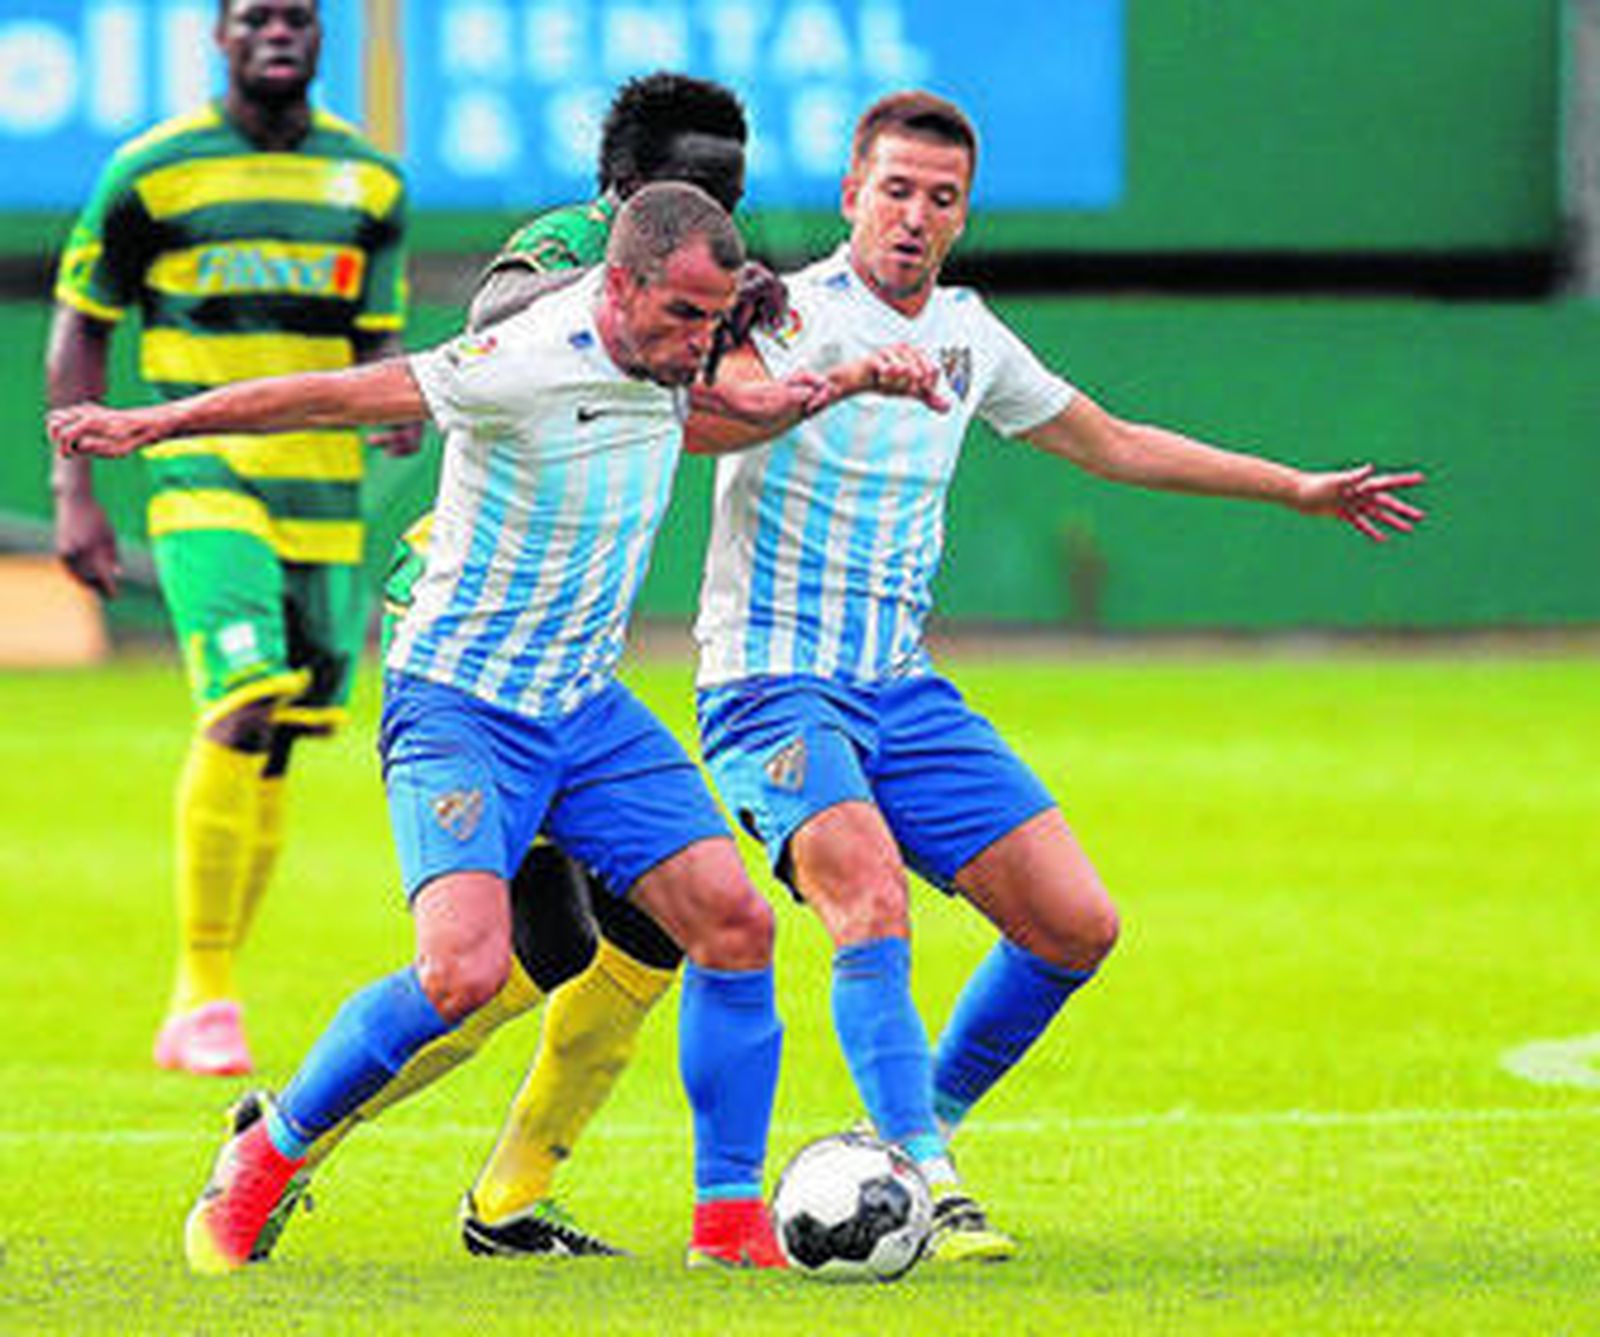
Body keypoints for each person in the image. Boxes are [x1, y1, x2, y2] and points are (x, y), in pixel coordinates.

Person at [51, 181, 948, 1273]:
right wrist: (155, 422)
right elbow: (332, 394)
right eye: (683, 317)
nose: (700, 344)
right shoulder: (520, 361)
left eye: (715, 323)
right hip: (462, 706)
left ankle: (727, 1225)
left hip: (585, 707)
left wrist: (847, 379)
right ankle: (266, 1150)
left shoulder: (672, 364)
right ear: (619, 284)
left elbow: (728, 411)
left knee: (733, 920)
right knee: (463, 971)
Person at [690, 90, 1428, 1262]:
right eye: (895, 190)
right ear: (850, 193)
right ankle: (925, 1180)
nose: (915, 216)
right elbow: (703, 420)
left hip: (898, 689)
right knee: (867, 894)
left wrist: (1292, 488)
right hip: (770, 681)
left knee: (1073, 923)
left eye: (941, 198)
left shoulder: (970, 335)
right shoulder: (789, 315)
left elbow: (1111, 441)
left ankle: (916, 1126)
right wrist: (833, 382)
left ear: (962, 216)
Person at [279, 72, 783, 1260]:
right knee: (515, 954)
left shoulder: (706, 292)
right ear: (622, 193)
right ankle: (288, 1136)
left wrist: (786, 352)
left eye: (730, 195)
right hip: (470, 652)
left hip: (572, 673)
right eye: (692, 191)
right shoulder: (564, 255)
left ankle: (514, 1198)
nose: (716, 214)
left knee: (659, 929)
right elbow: (500, 322)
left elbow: (731, 398)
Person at [46, 0, 421, 1077]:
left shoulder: (370, 183)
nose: (277, 34)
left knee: (282, 738)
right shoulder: (152, 173)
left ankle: (210, 990)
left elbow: (375, 336)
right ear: (219, 36)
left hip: (326, 495)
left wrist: (393, 399)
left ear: (320, 35)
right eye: (255, 17)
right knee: (244, 700)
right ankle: (202, 986)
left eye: (297, 17)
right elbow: (81, 326)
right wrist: (76, 492)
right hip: (202, 478)